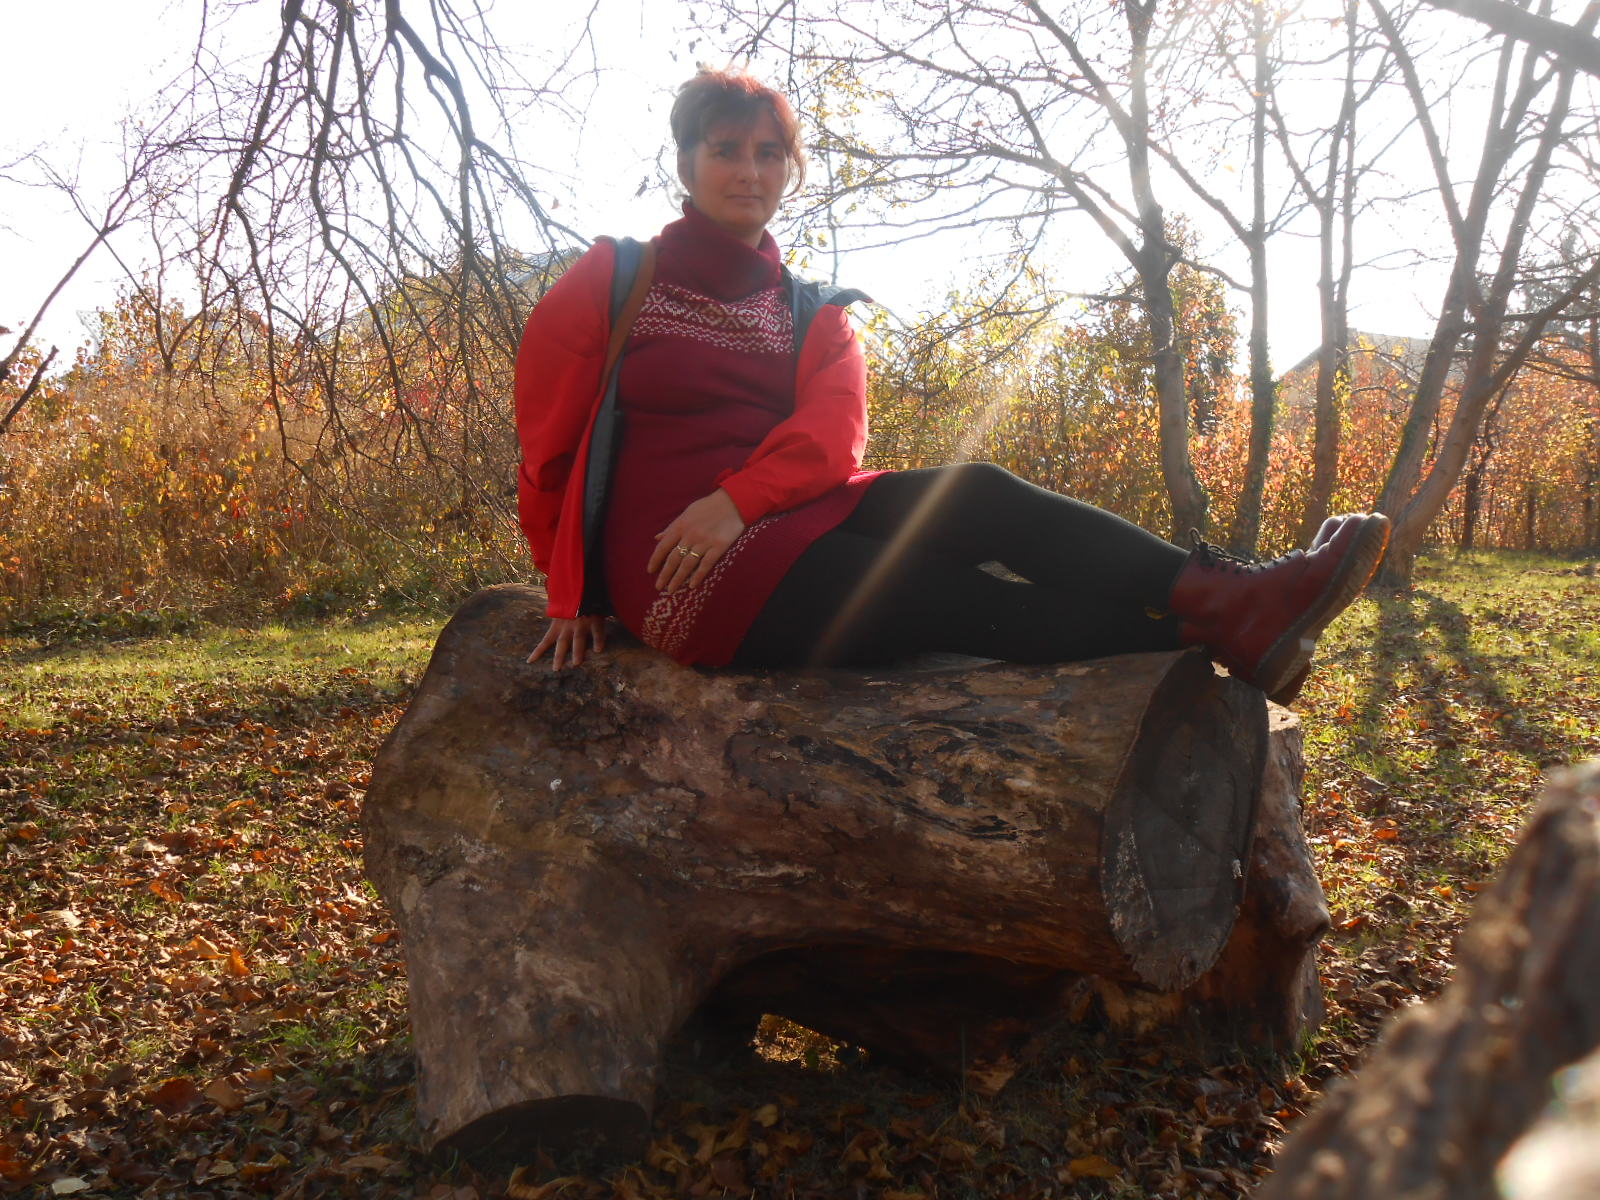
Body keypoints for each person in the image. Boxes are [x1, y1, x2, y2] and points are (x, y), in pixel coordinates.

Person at [514, 68, 1389, 704]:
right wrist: (572, 592)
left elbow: (832, 436)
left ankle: (1228, 603)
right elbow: (547, 444)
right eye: (726, 151)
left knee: (978, 491)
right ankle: (1215, 634)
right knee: (937, 595)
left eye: (769, 153)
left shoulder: (811, 310)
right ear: (686, 163)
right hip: (675, 563)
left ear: (790, 169)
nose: (750, 171)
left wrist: (739, 500)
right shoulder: (616, 279)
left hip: (779, 511)